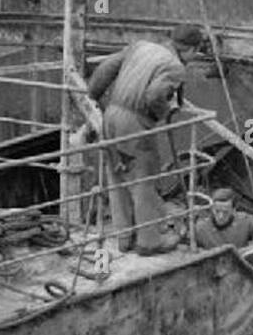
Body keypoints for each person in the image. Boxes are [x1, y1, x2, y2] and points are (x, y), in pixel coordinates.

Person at [86, 24, 208, 256]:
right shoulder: (175, 67)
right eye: (195, 53)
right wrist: (163, 113)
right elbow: (154, 95)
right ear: (191, 50)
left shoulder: (140, 47)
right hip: (135, 121)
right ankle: (149, 242)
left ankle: (124, 238)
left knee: (118, 174)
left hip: (111, 115)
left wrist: (92, 97)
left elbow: (105, 68)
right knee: (144, 178)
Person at [189, 187, 253, 249]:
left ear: (234, 210)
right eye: (217, 211)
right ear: (211, 209)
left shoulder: (245, 222)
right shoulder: (201, 228)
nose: (221, 216)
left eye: (225, 212)